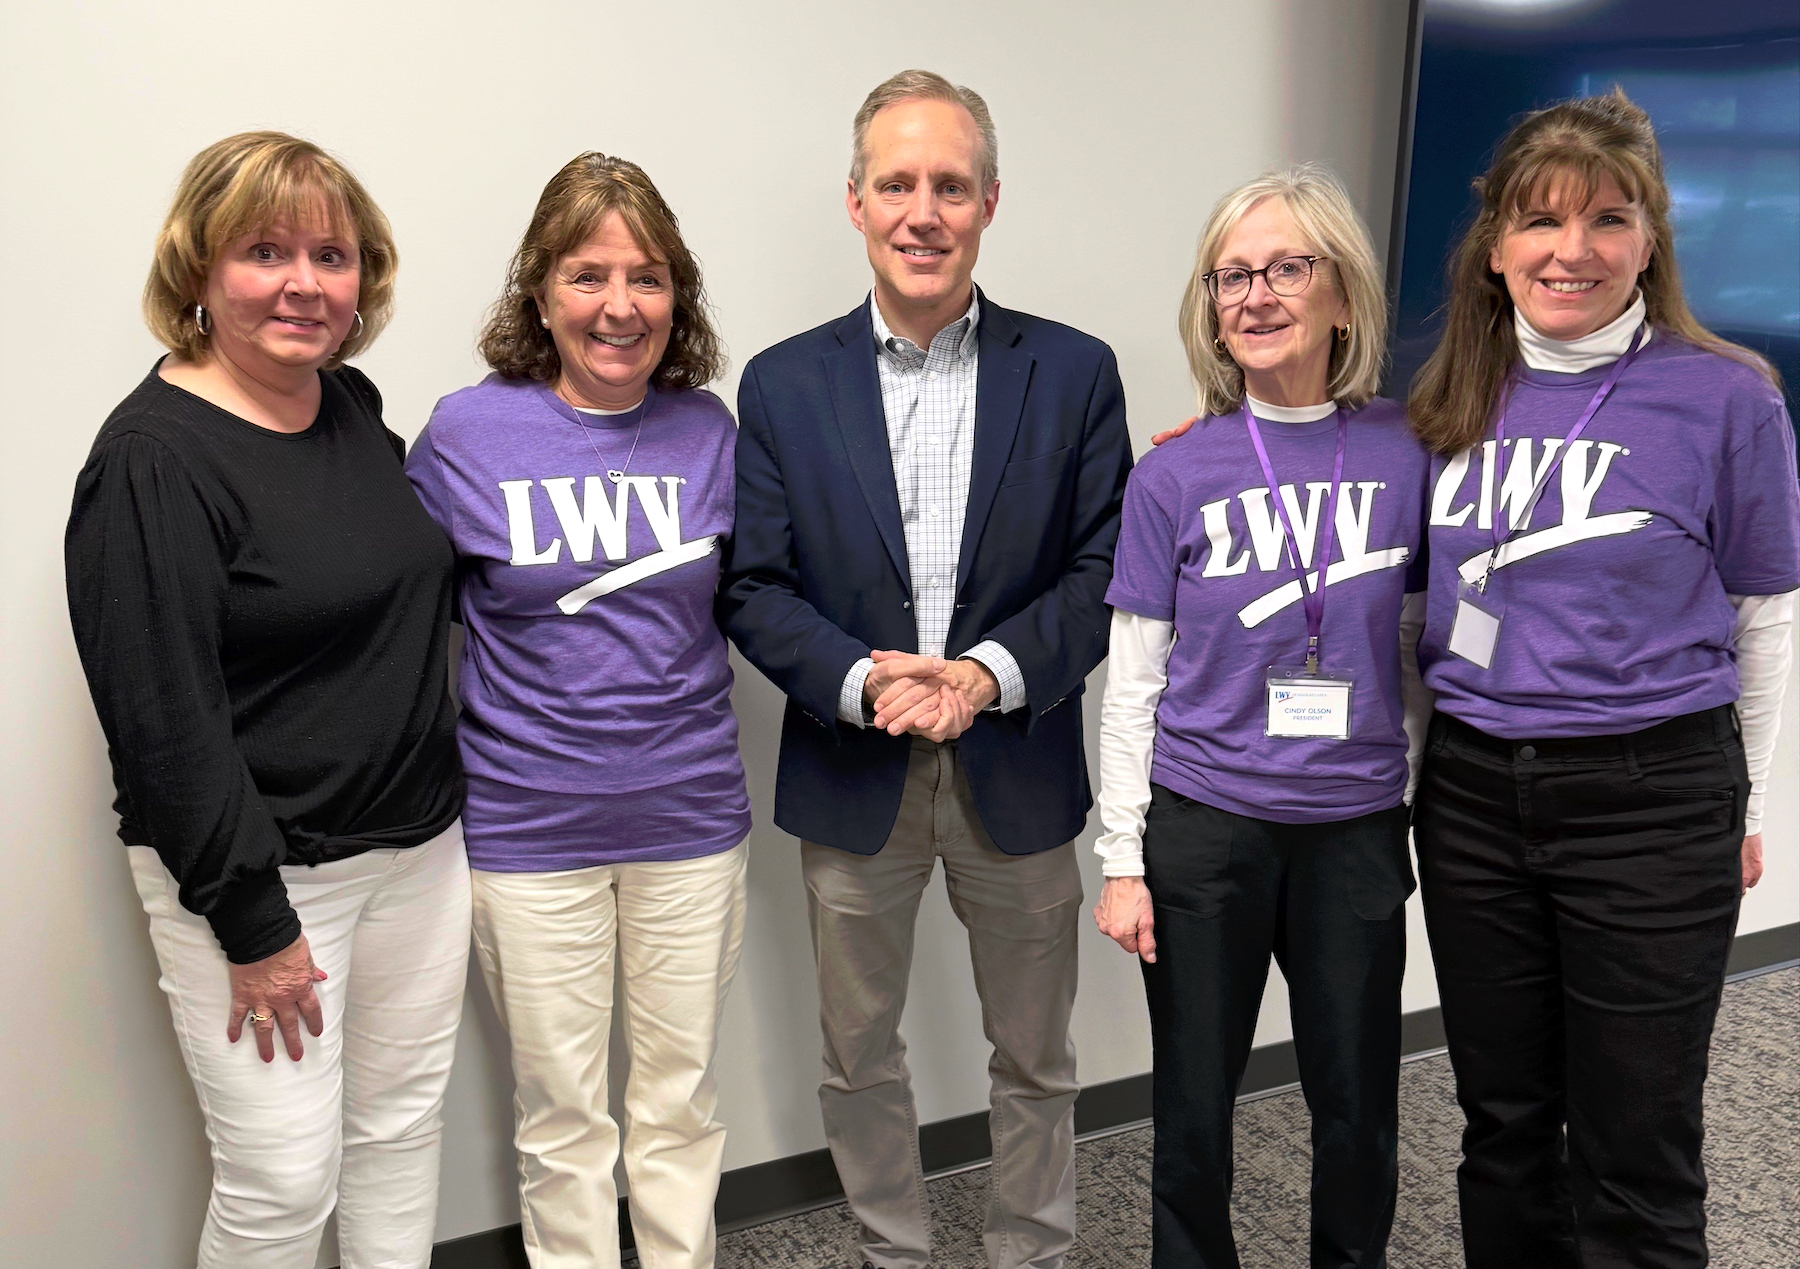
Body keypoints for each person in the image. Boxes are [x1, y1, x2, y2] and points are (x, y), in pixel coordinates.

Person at [719, 70, 1133, 1269]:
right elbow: (754, 586)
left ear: (990, 202)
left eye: (950, 185)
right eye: (896, 183)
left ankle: (1032, 1252)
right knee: (858, 1054)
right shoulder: (786, 386)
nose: (923, 211)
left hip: (1017, 757)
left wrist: (986, 674)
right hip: (858, 770)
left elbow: (1103, 568)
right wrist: (867, 682)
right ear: (854, 201)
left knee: (1038, 1057)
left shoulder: (1074, 371)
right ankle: (890, 1251)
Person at [1406, 90, 1799, 1268]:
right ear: (1494, 248)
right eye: (1540, 222)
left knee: (1636, 1146)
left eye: (1608, 220)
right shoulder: (1443, 399)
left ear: (1650, 241)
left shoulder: (1729, 397)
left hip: (1651, 796)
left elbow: (1765, 618)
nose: (1571, 251)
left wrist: (1742, 801)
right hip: (1473, 800)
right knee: (1505, 1128)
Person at [64, 132, 468, 1269]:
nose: (304, 282)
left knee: (398, 1134)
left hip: (420, 857)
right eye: (264, 250)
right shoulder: (154, 458)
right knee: (284, 1184)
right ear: (199, 271)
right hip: (264, 885)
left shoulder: (347, 407)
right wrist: (256, 923)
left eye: (331, 256)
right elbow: (160, 719)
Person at [405, 152, 749, 1269]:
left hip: (691, 822)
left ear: (676, 299)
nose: (619, 306)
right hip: (528, 831)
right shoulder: (466, 433)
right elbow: (399, 614)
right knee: (563, 1122)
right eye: (588, 275)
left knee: (679, 1105)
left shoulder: (712, 433)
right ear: (541, 292)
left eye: (647, 278)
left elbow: (775, 593)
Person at [1093, 166, 1431, 1269]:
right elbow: (1133, 679)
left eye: (1288, 266)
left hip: (1354, 834)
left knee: (1356, 1104)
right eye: (1231, 275)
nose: (1256, 295)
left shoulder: (1410, 454)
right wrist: (1124, 858)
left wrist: (1409, 793)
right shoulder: (1174, 474)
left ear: (1342, 294)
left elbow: (1425, 651)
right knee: (1193, 1110)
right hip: (1205, 833)